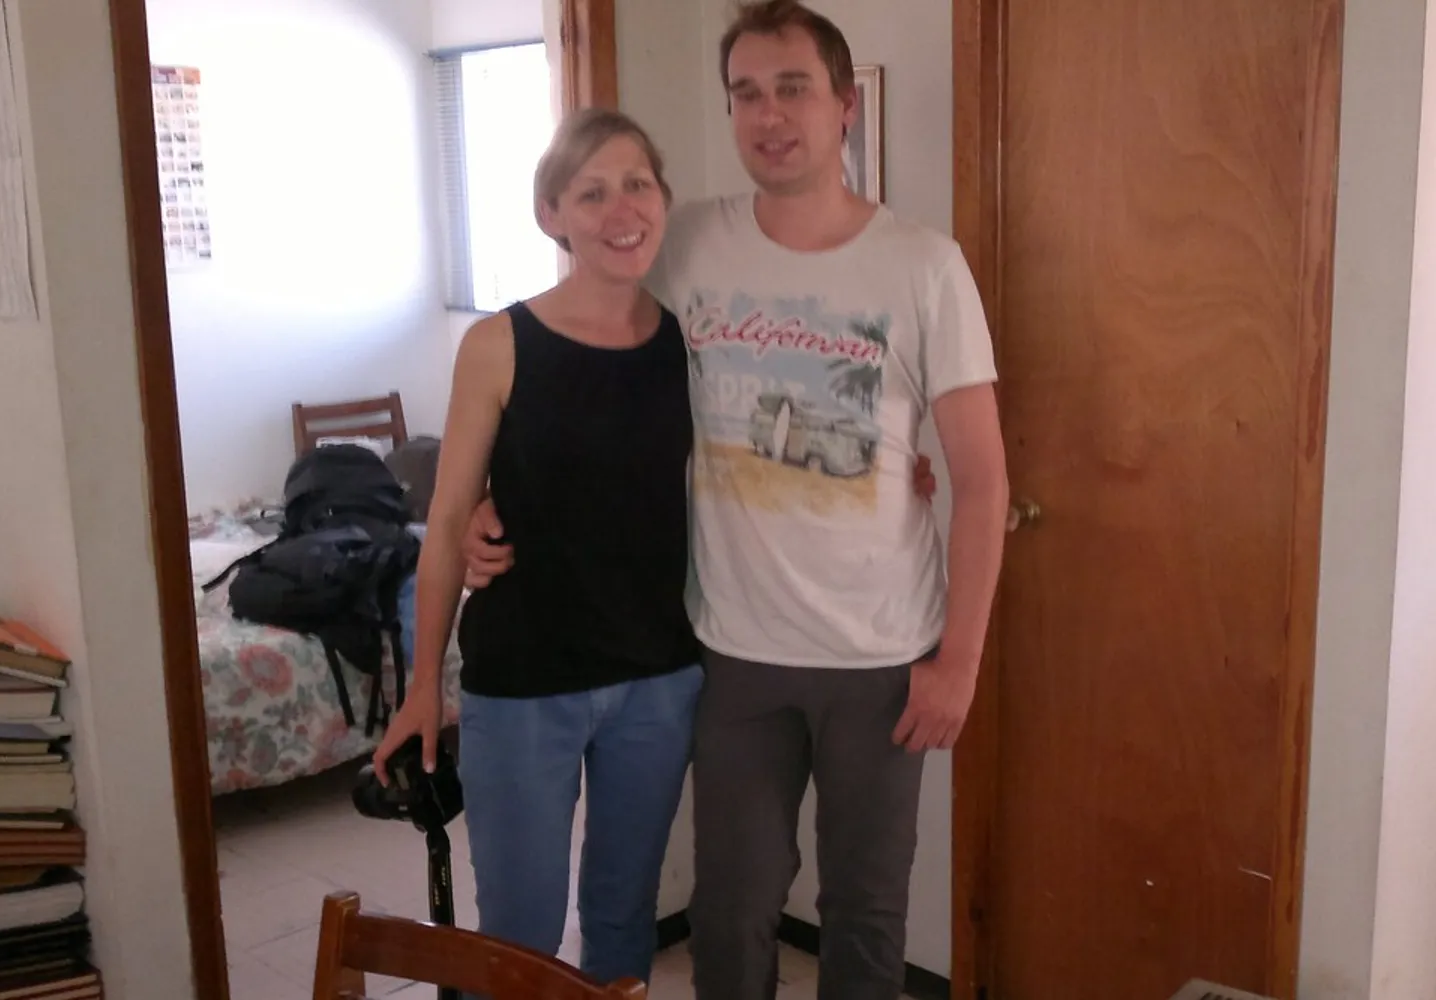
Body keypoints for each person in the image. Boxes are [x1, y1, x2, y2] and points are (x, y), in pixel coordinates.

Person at [465, 2, 1009, 997]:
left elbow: (980, 479)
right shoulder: (686, 243)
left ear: (844, 105)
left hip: (881, 656)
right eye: (746, 93)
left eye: (793, 88)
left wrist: (960, 661)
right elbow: (574, 360)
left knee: (865, 915)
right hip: (732, 652)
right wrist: (483, 497)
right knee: (729, 911)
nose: (769, 114)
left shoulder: (926, 266)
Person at [370, 108, 703, 986]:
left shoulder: (687, 342)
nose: (621, 210)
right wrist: (421, 685)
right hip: (523, 685)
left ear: (663, 199)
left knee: (623, 919)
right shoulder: (498, 345)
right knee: (518, 938)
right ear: (551, 214)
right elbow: (448, 520)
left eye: (637, 184)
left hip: (657, 679)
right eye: (591, 193)